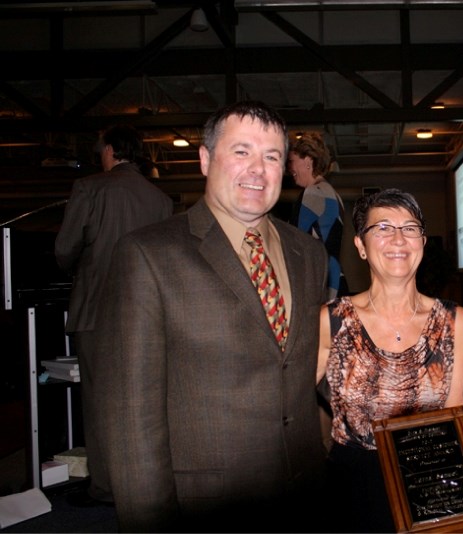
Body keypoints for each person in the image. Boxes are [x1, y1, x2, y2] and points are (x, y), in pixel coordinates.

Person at [92, 101, 330, 532]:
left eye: (272, 156)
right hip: (206, 509)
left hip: (304, 498)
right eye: (241, 152)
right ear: (205, 160)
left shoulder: (308, 254)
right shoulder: (148, 255)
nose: (258, 169)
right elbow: (132, 417)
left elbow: (303, 367)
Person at [316, 188, 463, 533]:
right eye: (383, 228)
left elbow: (455, 419)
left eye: (410, 228)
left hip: (427, 486)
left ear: (423, 241)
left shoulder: (455, 322)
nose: (398, 239)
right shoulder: (331, 321)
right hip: (351, 491)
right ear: (360, 245)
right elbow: (293, 412)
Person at [54, 123, 173, 507]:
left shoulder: (90, 188)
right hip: (148, 313)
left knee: (99, 402)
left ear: (109, 152)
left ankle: (105, 487)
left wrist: (76, 266)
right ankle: (145, 480)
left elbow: (64, 249)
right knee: (145, 400)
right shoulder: (160, 199)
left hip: (97, 309)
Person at [287, 131, 348, 299]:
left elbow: (295, 245)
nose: (290, 168)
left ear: (307, 160)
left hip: (319, 285)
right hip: (335, 280)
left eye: (292, 161)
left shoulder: (312, 193)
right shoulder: (333, 194)